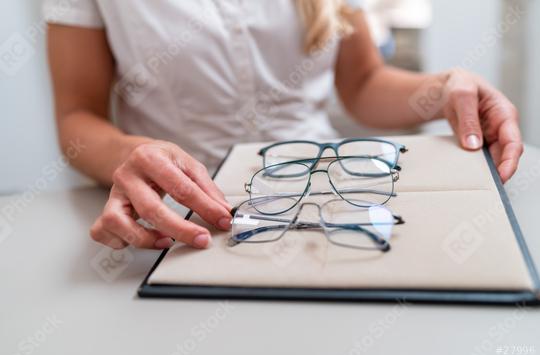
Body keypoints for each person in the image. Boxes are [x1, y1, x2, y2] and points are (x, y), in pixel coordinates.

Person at [44, 0, 523, 251]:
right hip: (182, 219)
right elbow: (76, 119)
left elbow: (363, 84)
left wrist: (442, 91)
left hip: (333, 204)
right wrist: (135, 154)